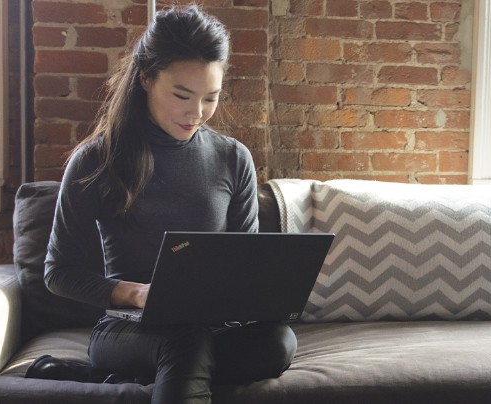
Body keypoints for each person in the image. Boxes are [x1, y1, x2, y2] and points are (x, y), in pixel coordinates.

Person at [25, 5, 296, 403]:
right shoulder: (97, 160)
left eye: (210, 98)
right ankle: (138, 367)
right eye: (182, 95)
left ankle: (111, 379)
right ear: (146, 79)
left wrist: (261, 295)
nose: (196, 113)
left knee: (276, 343)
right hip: (125, 327)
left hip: (211, 326)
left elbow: (242, 262)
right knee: (184, 339)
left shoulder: (232, 157)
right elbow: (58, 272)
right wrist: (136, 294)